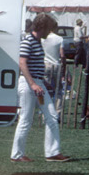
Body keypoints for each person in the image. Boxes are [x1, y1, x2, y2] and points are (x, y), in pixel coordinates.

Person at [12, 13, 67, 162]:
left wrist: (40, 82)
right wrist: (33, 84)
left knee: (52, 116)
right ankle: (17, 155)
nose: (49, 32)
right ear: (42, 27)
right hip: (29, 86)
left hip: (38, 85)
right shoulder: (28, 41)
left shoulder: (37, 41)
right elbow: (22, 63)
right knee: (25, 120)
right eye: (48, 29)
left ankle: (52, 152)